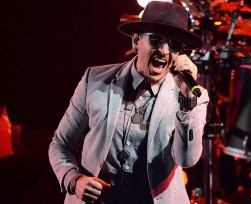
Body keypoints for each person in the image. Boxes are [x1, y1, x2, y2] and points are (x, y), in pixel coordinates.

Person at [48, 1, 209, 204]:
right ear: (135, 41)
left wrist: (187, 102)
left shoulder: (193, 96)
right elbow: (60, 144)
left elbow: (187, 160)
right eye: (156, 40)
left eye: (174, 45)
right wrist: (73, 179)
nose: (165, 51)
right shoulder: (95, 80)